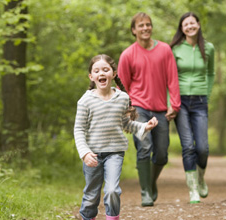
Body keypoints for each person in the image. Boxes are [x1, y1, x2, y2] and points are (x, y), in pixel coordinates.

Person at [74, 54, 159, 220]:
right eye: (97, 71)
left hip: (115, 152)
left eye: (106, 70)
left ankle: (112, 217)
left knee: (112, 190)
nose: (101, 73)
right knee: (91, 195)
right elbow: (78, 129)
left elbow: (125, 124)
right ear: (91, 76)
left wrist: (144, 126)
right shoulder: (85, 101)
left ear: (113, 74)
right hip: (93, 155)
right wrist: (84, 153)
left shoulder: (122, 98)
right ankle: (87, 217)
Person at [117, 12, 181, 207]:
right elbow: (122, 86)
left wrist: (175, 104)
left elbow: (172, 78)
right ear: (134, 30)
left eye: (148, 24)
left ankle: (150, 182)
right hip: (138, 108)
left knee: (161, 153)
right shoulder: (128, 54)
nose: (145, 28)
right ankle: (145, 191)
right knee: (144, 148)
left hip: (161, 109)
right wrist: (126, 111)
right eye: (141, 25)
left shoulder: (164, 50)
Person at [169, 12, 215, 204]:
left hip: (200, 101)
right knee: (188, 146)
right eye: (185, 24)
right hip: (180, 102)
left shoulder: (209, 48)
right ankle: (193, 189)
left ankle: (201, 177)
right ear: (181, 28)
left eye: (192, 23)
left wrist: (207, 93)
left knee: (202, 148)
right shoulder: (175, 49)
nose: (189, 27)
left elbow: (211, 73)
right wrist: (170, 102)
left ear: (198, 24)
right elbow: (169, 76)